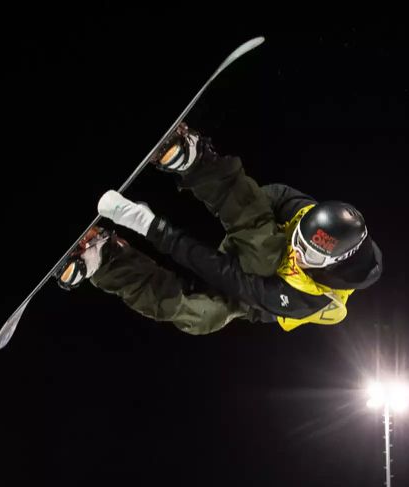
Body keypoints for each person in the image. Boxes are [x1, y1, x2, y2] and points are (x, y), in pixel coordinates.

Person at [56, 123, 383, 334]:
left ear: (330, 263)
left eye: (307, 254)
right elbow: (274, 194)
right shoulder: (303, 212)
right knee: (264, 253)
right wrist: (223, 191)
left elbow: (223, 274)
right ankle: (196, 160)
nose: (296, 253)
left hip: (258, 297)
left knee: (201, 318)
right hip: (259, 240)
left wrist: (150, 226)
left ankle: (109, 259)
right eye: (298, 240)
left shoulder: (306, 299)